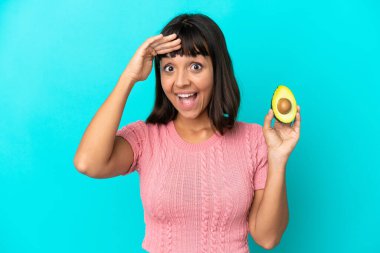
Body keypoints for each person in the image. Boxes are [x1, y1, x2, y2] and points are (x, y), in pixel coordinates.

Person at [74, 13, 301, 253]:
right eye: (169, 68)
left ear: (217, 69)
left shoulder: (253, 140)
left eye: (195, 66)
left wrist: (278, 159)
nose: (181, 82)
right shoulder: (145, 138)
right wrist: (129, 77)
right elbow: (88, 163)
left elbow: (267, 238)